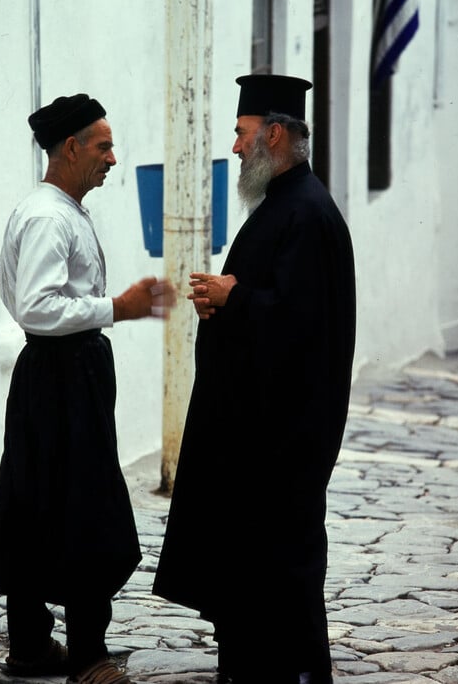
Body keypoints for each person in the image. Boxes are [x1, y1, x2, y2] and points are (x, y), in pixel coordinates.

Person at [152, 75, 356, 684]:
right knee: (249, 561)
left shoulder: (308, 213)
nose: (235, 148)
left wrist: (234, 297)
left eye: (241, 134)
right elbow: (272, 303)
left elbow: (300, 324)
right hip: (257, 432)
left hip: (283, 438)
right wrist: (224, 299)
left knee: (279, 562)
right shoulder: (284, 206)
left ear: (273, 134)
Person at [0, 94, 175, 684]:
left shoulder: (54, 209)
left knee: (37, 500)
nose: (113, 159)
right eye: (103, 146)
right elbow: (38, 307)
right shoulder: (48, 216)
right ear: (70, 148)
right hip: (63, 376)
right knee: (82, 505)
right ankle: (88, 657)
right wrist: (118, 307)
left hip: (57, 374)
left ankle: (31, 649)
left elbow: (9, 282)